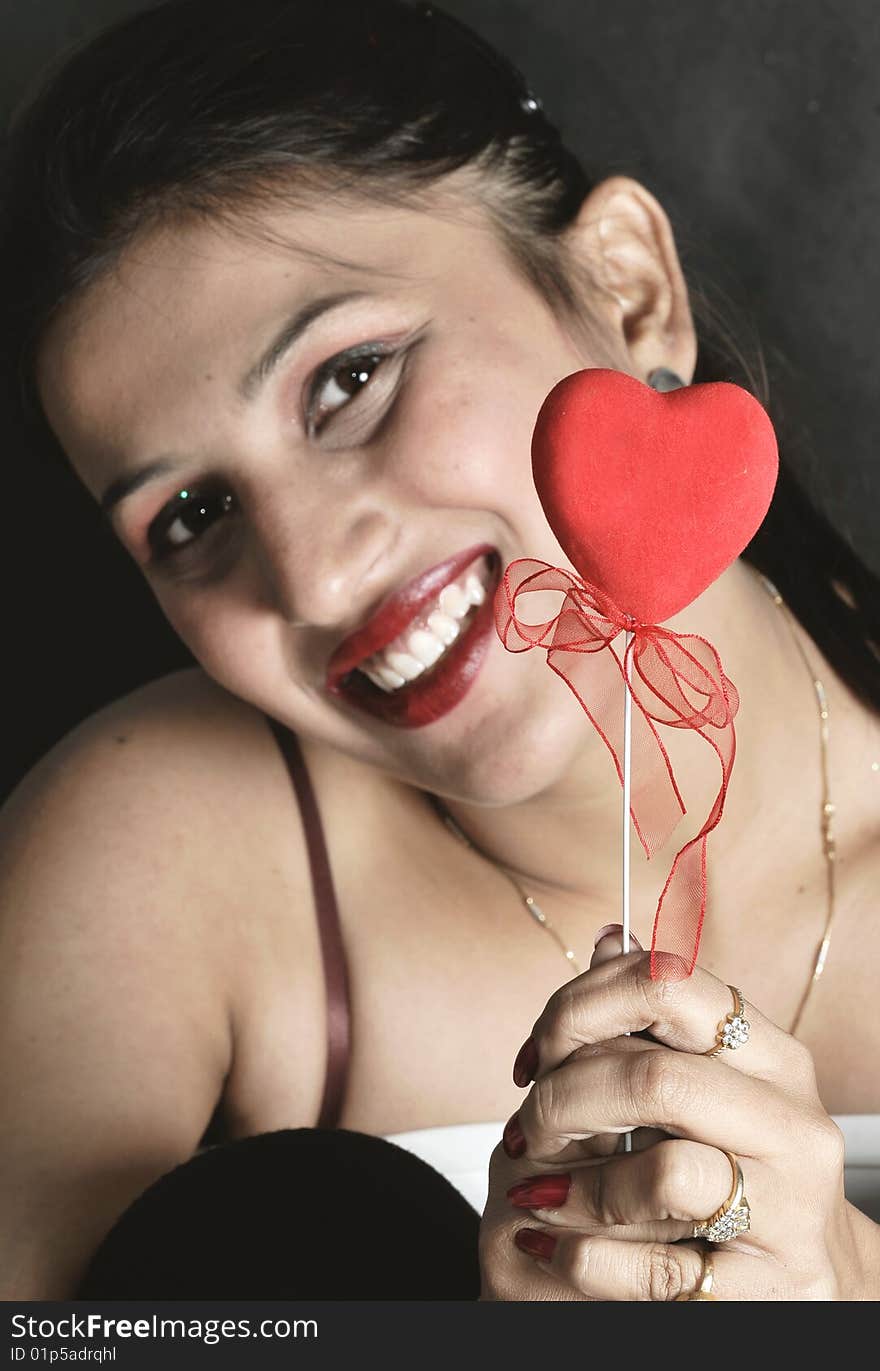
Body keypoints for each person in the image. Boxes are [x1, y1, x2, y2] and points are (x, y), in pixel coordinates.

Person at [1, 0, 878, 1302]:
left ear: (629, 297)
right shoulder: (164, 861)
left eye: (351, 378)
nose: (318, 573)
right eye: (191, 515)